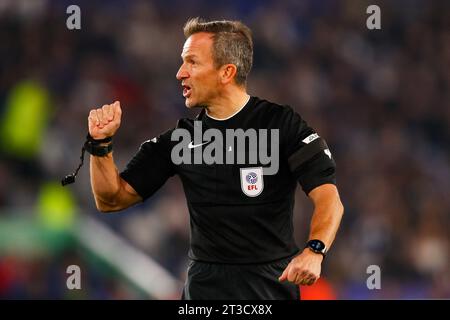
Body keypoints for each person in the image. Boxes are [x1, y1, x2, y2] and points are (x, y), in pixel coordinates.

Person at [87, 18, 344, 300]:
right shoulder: (181, 139)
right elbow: (111, 199)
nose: (180, 73)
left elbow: (328, 198)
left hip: (269, 290)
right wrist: (101, 145)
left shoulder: (281, 125)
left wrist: (314, 250)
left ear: (226, 72)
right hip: (205, 293)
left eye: (192, 62)